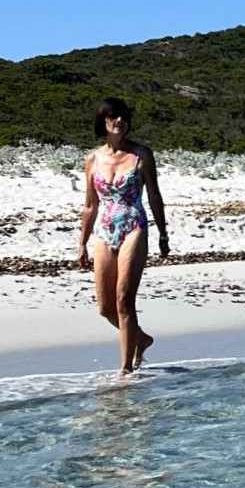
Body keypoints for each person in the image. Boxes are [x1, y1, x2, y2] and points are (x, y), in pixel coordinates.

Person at [77, 98, 169, 374]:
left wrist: (163, 234)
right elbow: (90, 205)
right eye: (113, 116)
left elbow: (154, 195)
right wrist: (82, 243)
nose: (120, 121)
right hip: (104, 230)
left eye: (124, 117)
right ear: (103, 121)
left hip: (134, 226)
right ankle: (141, 339)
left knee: (124, 300)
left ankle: (126, 371)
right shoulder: (93, 160)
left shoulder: (141, 155)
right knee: (106, 308)